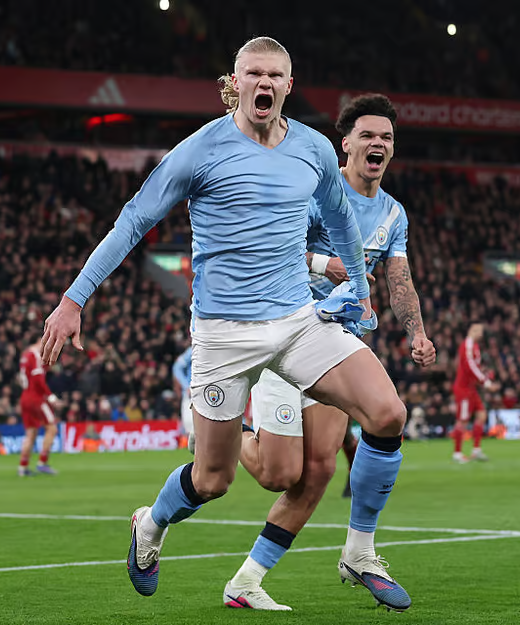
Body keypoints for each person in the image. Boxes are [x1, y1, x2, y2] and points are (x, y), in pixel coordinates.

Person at [40, 37, 413, 611]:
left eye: (275, 75)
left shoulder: (312, 149)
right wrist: (73, 299)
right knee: (213, 480)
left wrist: (359, 290)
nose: (264, 83)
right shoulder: (201, 150)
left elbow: (341, 220)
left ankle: (359, 551)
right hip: (224, 336)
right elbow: (133, 220)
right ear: (233, 82)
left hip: (298, 322)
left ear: (289, 85)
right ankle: (151, 524)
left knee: (388, 413)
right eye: (253, 73)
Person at [227, 93, 435, 611]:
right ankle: (222, 428)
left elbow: (399, 280)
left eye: (385, 137)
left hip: (337, 350)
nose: (377, 143)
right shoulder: (318, 191)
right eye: (367, 134)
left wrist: (417, 331)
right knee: (280, 474)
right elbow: (272, 248)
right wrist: (325, 265)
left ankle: (248, 581)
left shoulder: (392, 213)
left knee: (319, 471)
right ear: (345, 143)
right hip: (289, 334)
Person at [452, 322, 497, 463]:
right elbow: (469, 366)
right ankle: (457, 453)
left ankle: (476, 450)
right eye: (480, 331)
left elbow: (473, 367)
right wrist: (486, 382)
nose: (482, 334)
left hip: (471, 388)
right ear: (473, 330)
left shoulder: (475, 346)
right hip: (463, 389)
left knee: (482, 415)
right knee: (462, 421)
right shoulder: (468, 344)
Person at [18, 340, 59, 476]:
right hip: (36, 398)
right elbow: (38, 379)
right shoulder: (36, 354)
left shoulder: (25, 354)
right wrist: (51, 397)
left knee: (31, 434)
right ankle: (42, 462)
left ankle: (23, 467)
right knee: (52, 428)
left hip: (25, 397)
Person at [172, 344, 193, 449]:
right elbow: (177, 367)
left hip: (209, 392)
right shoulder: (193, 350)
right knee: (190, 427)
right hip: (192, 394)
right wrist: (186, 386)